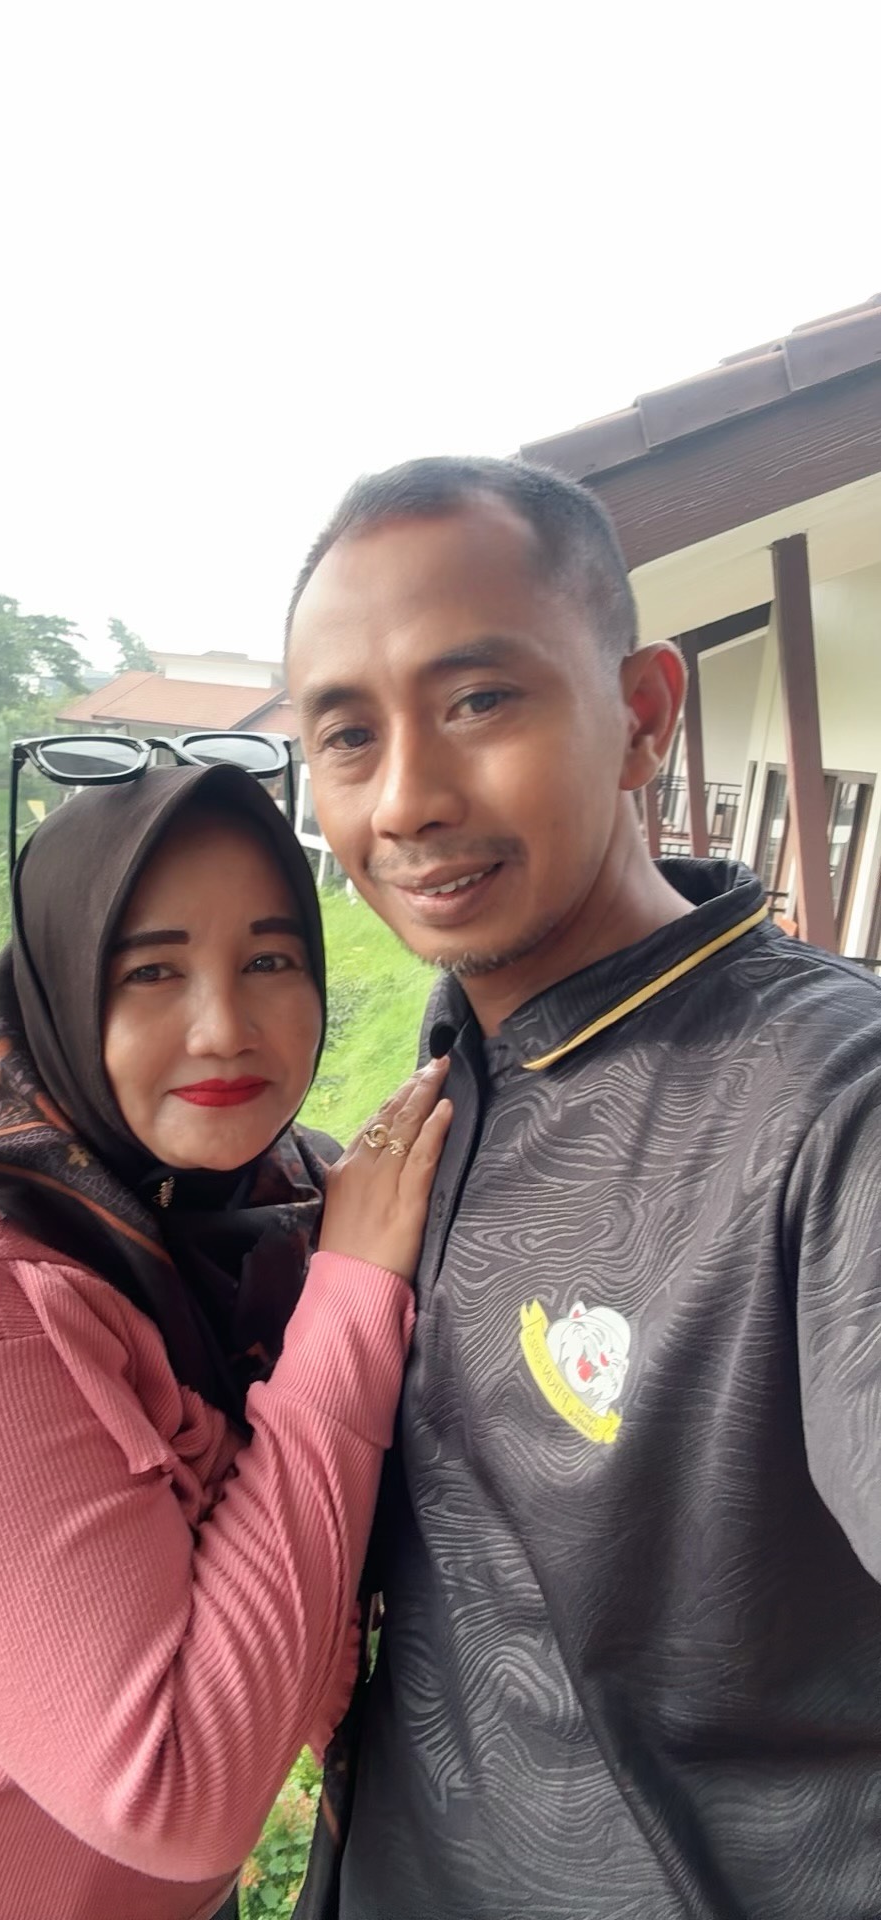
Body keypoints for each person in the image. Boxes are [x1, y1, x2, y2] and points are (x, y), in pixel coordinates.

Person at [285, 455, 881, 1920]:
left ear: (645, 717)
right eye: (349, 735)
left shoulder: (832, 1106)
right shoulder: (452, 1067)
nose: (407, 800)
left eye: (480, 700)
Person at [0, 761, 451, 1920]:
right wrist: (353, 1300)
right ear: (58, 990)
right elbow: (173, 1789)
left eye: (269, 961)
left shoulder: (280, 1205)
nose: (224, 1028)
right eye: (151, 971)